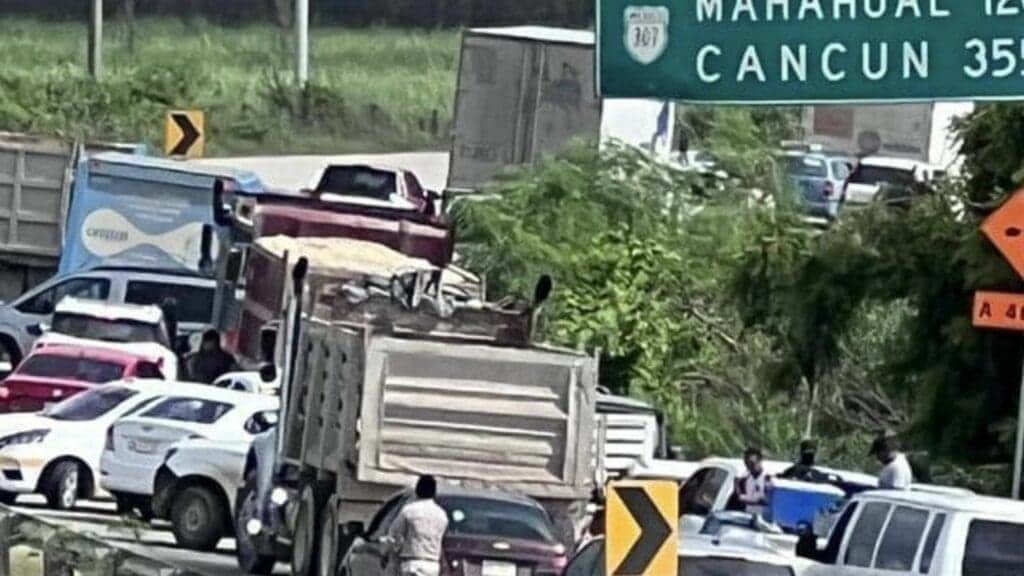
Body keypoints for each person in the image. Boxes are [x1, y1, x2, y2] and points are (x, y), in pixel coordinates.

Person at [386, 475, 449, 576]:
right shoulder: (441, 514)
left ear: (417, 490)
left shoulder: (409, 511)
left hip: (412, 564)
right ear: (434, 492)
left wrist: (391, 554)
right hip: (432, 565)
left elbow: (394, 535)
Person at [736, 447, 772, 517]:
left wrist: (742, 497)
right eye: (746, 463)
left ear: (760, 461)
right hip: (748, 517)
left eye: (752, 463)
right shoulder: (746, 478)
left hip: (763, 519)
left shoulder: (768, 478)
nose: (749, 466)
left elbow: (763, 501)